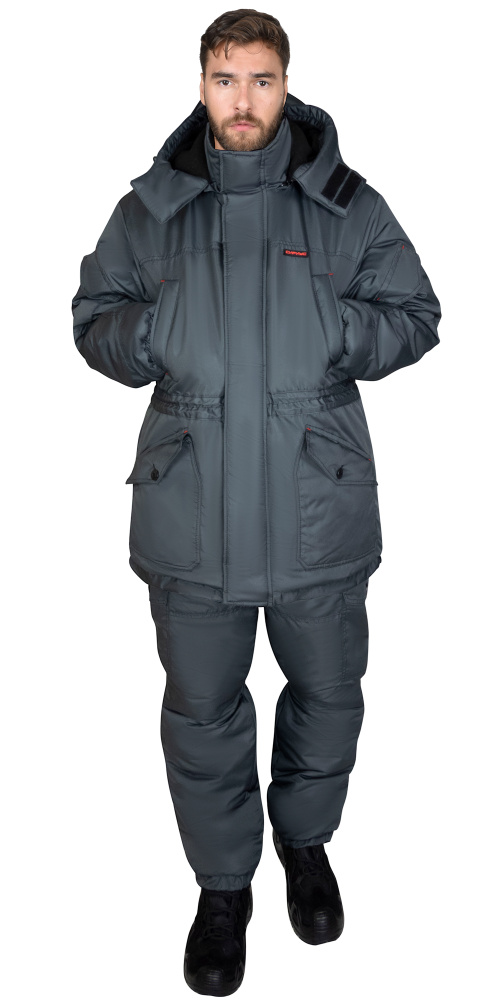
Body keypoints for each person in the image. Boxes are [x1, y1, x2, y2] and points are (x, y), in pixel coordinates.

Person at [72, 8, 441, 996]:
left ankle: (306, 846)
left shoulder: (346, 205)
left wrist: (336, 329)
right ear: (201, 85)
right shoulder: (151, 209)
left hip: (318, 500)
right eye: (225, 79)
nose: (243, 100)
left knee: (328, 691)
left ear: (286, 85)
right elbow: (93, 318)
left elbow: (415, 314)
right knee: (202, 709)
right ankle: (222, 889)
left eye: (261, 79)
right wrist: (153, 334)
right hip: (190, 506)